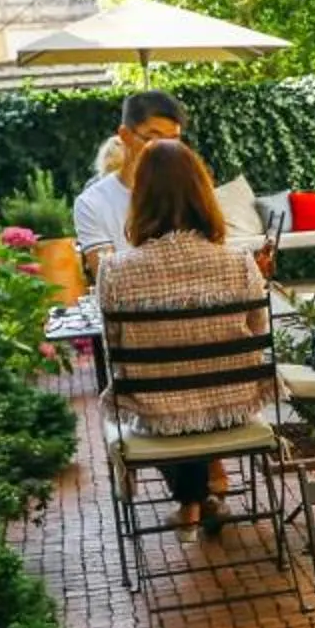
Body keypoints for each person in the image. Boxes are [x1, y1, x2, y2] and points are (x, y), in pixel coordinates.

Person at [101, 140, 270, 537]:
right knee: (195, 396)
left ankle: (190, 503)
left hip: (157, 415)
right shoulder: (239, 263)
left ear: (139, 199)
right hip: (232, 406)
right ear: (202, 194)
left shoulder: (116, 271)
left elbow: (114, 348)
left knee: (160, 406)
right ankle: (201, 497)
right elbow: (258, 330)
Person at [73, 87, 187, 262]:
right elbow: (108, 277)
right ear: (125, 135)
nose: (165, 149)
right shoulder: (92, 203)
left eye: (173, 140)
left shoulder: (189, 191)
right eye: (153, 138)